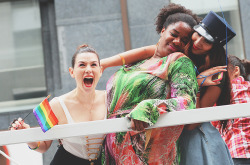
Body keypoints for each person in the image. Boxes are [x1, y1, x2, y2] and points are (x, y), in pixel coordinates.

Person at [101, 10, 235, 165]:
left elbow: (192, 121)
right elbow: (146, 51)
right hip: (162, 133)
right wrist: (102, 64)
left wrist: (196, 85)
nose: (198, 42)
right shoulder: (174, 51)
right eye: (198, 34)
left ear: (214, 47)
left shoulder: (216, 74)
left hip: (194, 138)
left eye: (207, 41)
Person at [9, 44, 106, 165]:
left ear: (100, 70)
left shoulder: (111, 98)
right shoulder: (56, 104)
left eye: (93, 64)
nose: (88, 69)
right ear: (72, 72)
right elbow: (44, 146)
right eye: (82, 65)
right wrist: (27, 135)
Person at [212, 55, 250, 165]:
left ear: (236, 71)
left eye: (221, 73)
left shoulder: (223, 94)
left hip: (237, 151)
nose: (218, 78)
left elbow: (214, 125)